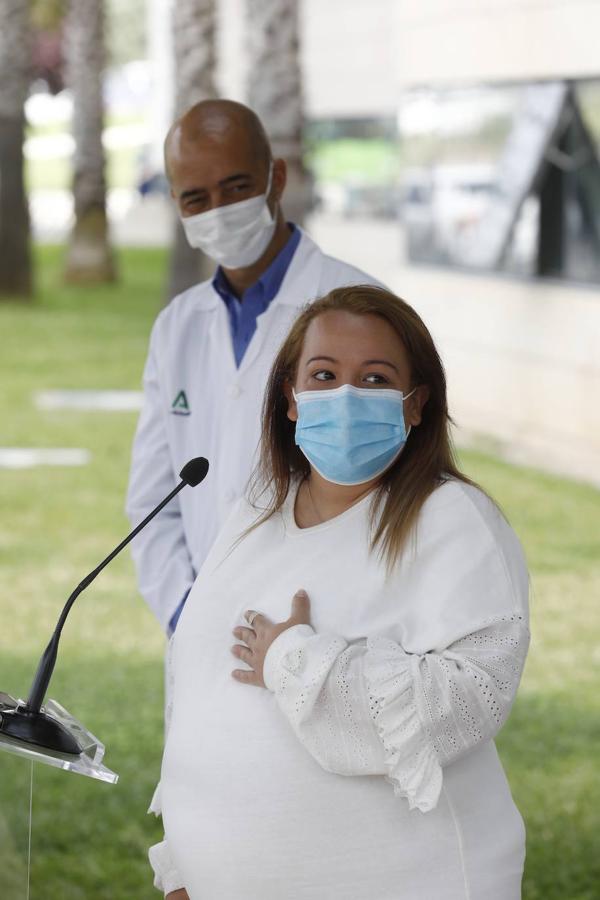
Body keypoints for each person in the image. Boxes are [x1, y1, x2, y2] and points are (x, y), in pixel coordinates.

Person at [150, 285, 530, 899]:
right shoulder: (256, 513)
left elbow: (470, 700)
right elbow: (194, 686)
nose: (346, 396)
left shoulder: (454, 520)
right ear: (292, 398)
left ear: (416, 404)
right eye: (323, 374)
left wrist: (296, 661)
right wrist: (182, 865)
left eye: (376, 379)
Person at [126, 99, 381, 635]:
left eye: (237, 187)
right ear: (176, 204)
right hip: (200, 630)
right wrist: (185, 612)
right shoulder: (179, 326)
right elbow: (154, 499)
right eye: (196, 198)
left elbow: (387, 490)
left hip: (320, 630)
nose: (218, 208)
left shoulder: (359, 308)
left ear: (276, 179)